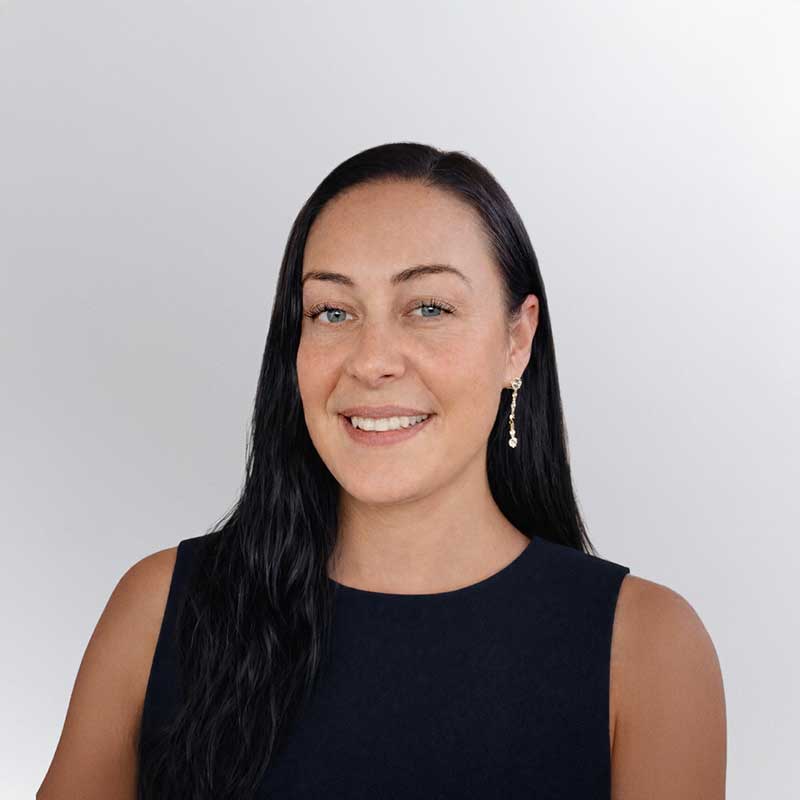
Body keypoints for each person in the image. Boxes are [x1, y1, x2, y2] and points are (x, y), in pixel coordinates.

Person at [37, 143, 726, 799]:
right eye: (333, 311)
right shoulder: (159, 611)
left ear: (517, 340)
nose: (371, 361)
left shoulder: (647, 651)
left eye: (428, 307)